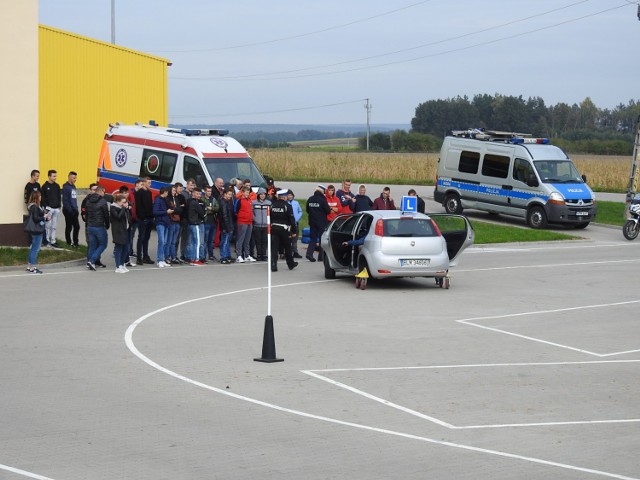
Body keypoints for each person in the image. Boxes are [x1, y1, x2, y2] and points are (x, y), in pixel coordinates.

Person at [269, 189, 298, 272]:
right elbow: (292, 219)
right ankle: (290, 264)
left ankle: (273, 265)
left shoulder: (273, 205)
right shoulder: (287, 206)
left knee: (274, 248)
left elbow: (270, 217)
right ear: (285, 197)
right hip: (284, 230)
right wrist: (294, 231)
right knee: (287, 247)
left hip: (274, 228)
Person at [85, 185, 110, 271]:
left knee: (92, 245)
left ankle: (90, 262)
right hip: (99, 226)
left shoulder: (88, 200)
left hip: (90, 226)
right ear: (101, 191)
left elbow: (86, 213)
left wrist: (88, 223)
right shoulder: (103, 201)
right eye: (104, 192)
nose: (104, 193)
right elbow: (106, 214)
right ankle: (92, 261)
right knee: (103, 244)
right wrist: (107, 225)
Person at [306, 185, 330, 262]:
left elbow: (307, 210)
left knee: (313, 238)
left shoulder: (310, 199)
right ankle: (321, 256)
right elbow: (327, 210)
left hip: (312, 222)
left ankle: (309, 254)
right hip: (321, 222)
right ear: (322, 191)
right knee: (321, 239)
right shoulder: (323, 199)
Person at [25, 191, 47, 274]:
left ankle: (29, 265)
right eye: (40, 196)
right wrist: (43, 217)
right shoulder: (35, 207)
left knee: (33, 248)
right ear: (37, 197)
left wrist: (44, 215)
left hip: (34, 230)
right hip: (37, 230)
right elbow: (35, 218)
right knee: (36, 249)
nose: (41, 197)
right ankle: (33, 267)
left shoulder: (32, 206)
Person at [110, 193, 132, 273]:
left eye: (125, 202)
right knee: (118, 248)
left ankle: (122, 264)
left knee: (126, 248)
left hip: (125, 230)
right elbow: (118, 217)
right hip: (118, 231)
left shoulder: (123, 208)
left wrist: (127, 209)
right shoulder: (113, 208)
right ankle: (118, 266)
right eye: (123, 202)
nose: (124, 204)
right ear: (118, 201)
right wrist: (123, 208)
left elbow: (128, 218)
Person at [40, 169, 62, 248]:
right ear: (49, 176)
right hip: (48, 209)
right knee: (48, 225)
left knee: (54, 226)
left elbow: (59, 196)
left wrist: (59, 205)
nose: (55, 177)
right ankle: (47, 240)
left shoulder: (57, 186)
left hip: (56, 208)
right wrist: (46, 208)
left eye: (56, 176)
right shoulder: (44, 186)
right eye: (53, 176)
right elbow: (43, 198)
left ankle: (53, 240)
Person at [135, 177, 154, 266]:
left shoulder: (149, 192)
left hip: (149, 218)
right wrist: (142, 217)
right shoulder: (139, 193)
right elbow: (139, 206)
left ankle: (146, 256)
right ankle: (139, 257)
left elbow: (150, 205)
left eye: (150, 182)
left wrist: (151, 216)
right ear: (144, 183)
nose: (150, 184)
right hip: (143, 219)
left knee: (146, 238)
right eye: (148, 182)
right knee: (141, 238)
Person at [153, 186, 173, 268]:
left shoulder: (165, 200)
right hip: (160, 222)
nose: (168, 194)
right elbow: (155, 211)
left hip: (166, 222)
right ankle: (159, 260)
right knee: (161, 241)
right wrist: (166, 212)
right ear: (164, 192)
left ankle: (162, 259)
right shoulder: (158, 200)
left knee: (164, 242)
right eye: (167, 192)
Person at [234, 186, 255, 262]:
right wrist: (241, 217)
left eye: (248, 192)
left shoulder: (249, 200)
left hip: (249, 222)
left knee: (247, 240)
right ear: (242, 192)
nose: (247, 194)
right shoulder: (239, 201)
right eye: (246, 192)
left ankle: (247, 255)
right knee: (240, 239)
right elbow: (235, 211)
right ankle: (239, 255)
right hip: (242, 222)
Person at [186, 188, 206, 266]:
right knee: (197, 242)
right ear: (193, 194)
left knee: (192, 242)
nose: (199, 195)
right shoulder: (195, 203)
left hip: (190, 223)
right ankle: (196, 259)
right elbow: (202, 213)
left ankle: (192, 258)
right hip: (195, 224)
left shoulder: (189, 202)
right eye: (197, 194)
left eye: (200, 194)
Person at [252, 187, 271, 261]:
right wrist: (255, 219)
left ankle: (264, 254)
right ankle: (259, 254)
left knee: (265, 240)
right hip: (257, 225)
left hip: (266, 225)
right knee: (258, 240)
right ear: (258, 195)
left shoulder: (268, 203)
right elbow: (251, 212)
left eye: (264, 194)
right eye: (261, 194)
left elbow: (271, 213)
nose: (262, 195)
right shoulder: (254, 203)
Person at [62, 171, 80, 248]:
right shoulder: (66, 187)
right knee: (69, 226)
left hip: (74, 210)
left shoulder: (73, 186)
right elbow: (65, 200)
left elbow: (74, 199)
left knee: (77, 226)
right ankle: (68, 242)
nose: (75, 179)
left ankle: (75, 242)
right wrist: (70, 210)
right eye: (73, 178)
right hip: (68, 210)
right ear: (69, 177)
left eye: (76, 178)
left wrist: (76, 209)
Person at [202, 185, 219, 262]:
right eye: (208, 191)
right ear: (205, 191)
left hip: (213, 222)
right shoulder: (202, 199)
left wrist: (211, 209)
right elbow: (204, 209)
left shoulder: (213, 199)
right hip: (206, 222)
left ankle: (211, 255)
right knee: (205, 240)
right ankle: (203, 256)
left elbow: (217, 208)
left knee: (211, 241)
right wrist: (209, 209)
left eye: (210, 191)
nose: (209, 193)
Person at [127, 178, 143, 259]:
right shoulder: (131, 193)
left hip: (136, 217)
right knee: (129, 235)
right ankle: (128, 251)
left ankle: (130, 251)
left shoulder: (140, 193)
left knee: (132, 235)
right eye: (141, 184)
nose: (142, 186)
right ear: (136, 184)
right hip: (131, 218)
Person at [218, 188, 235, 264]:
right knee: (224, 241)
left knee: (227, 241)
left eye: (231, 195)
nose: (230, 196)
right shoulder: (223, 203)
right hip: (225, 226)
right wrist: (228, 226)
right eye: (229, 194)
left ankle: (227, 256)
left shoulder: (227, 202)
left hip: (228, 224)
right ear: (225, 194)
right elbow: (224, 216)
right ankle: (223, 257)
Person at [287, 189, 303, 258]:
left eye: (291, 195)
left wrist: (296, 219)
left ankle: (295, 252)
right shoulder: (286, 203)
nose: (290, 196)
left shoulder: (296, 203)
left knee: (295, 239)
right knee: (288, 238)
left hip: (295, 223)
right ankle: (288, 252)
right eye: (288, 195)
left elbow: (300, 211)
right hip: (288, 224)